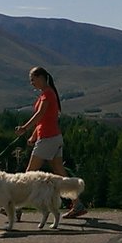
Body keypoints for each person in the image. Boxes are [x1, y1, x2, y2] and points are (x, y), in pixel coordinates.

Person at [15, 66, 87, 219]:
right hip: (54, 138)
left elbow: (40, 114)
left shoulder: (47, 94)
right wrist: (34, 136)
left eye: (33, 79)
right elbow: (44, 119)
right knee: (60, 172)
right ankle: (77, 204)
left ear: (41, 78)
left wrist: (25, 128)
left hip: (48, 139)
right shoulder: (47, 94)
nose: (32, 83)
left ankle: (17, 207)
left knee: (29, 174)